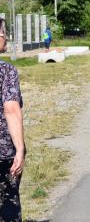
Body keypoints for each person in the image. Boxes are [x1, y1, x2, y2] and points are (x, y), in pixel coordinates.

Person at [0, 18, 25, 221]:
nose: (5, 37)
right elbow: (11, 109)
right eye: (3, 33)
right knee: (8, 206)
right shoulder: (6, 71)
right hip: (3, 154)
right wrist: (19, 149)